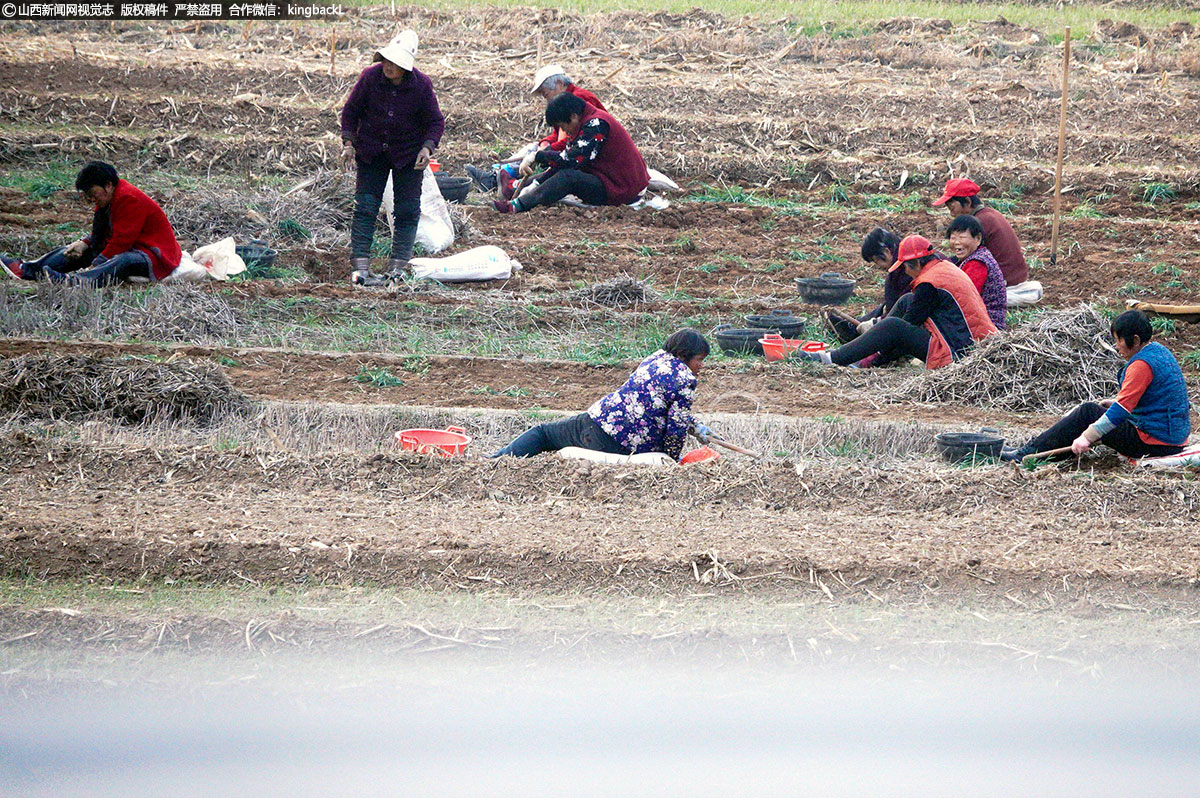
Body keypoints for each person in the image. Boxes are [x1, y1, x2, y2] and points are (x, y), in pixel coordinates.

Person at [492, 329, 712, 461]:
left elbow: (661, 404)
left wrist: (694, 425)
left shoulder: (656, 359)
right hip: (622, 444)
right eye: (699, 360)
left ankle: (495, 461)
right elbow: (675, 429)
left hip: (596, 422)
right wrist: (672, 462)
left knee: (543, 434)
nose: (701, 366)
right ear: (684, 356)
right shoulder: (686, 380)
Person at [1001, 310, 1191, 463]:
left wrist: (1087, 437)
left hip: (1154, 442)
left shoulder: (1142, 365)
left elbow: (1121, 411)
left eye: (1119, 340)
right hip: (1171, 438)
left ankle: (1026, 454)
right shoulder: (1159, 352)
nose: (1117, 346)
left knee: (1088, 413)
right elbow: (1149, 398)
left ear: (1134, 340)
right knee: (1096, 412)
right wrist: (1116, 403)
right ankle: (1041, 451)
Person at [340, 30, 444, 287]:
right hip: (371, 151)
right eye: (386, 60)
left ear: (405, 67)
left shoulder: (421, 85)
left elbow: (435, 121)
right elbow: (351, 112)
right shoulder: (369, 78)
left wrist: (427, 149)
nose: (388, 66)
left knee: (407, 211)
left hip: (408, 155)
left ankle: (398, 266)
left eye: (395, 63)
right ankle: (360, 267)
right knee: (365, 207)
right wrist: (348, 143)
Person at [798, 235, 997, 369]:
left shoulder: (929, 283)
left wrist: (878, 329)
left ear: (917, 263)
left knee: (894, 327)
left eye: (906, 268)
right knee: (906, 301)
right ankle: (865, 358)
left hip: (961, 354)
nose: (906, 273)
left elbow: (907, 325)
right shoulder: (943, 268)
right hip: (969, 343)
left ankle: (833, 359)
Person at [3, 161, 181, 286]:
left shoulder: (129, 199)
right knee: (75, 250)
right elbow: (101, 235)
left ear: (108, 185)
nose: (91, 199)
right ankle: (27, 270)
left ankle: (78, 282)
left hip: (153, 256)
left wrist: (95, 264)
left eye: (93, 193)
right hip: (133, 246)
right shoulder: (107, 200)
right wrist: (85, 243)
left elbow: (121, 242)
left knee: (122, 260)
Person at [491, 92, 649, 214]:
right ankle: (519, 188)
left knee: (568, 177)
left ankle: (516, 206)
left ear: (574, 116)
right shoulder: (587, 121)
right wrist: (536, 181)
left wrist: (538, 156)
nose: (564, 131)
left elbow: (571, 160)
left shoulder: (597, 124)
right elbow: (565, 157)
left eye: (563, 126)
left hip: (624, 190)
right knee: (560, 170)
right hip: (612, 181)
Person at [465, 65, 606, 194]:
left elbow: (571, 140)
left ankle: (501, 181)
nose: (546, 99)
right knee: (533, 147)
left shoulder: (577, 100)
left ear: (559, 84)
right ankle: (497, 175)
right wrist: (544, 143)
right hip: (576, 151)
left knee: (543, 157)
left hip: (589, 159)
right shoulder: (565, 102)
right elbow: (559, 134)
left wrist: (543, 152)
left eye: (545, 94)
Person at [933, 178, 1028, 286]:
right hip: (1015, 276)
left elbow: (968, 258)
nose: (951, 214)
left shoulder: (979, 223)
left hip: (1006, 281)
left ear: (968, 202)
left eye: (952, 208)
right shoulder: (990, 214)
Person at [946, 214, 1007, 330]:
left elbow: (963, 299)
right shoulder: (973, 257)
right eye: (953, 238)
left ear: (978, 239)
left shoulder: (977, 263)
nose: (956, 242)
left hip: (987, 327)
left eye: (962, 237)